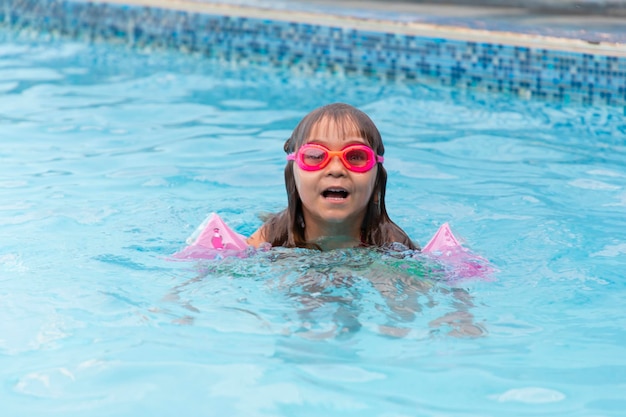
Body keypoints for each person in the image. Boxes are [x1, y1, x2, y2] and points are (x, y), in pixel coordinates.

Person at [247, 103, 418, 251]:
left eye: (355, 156)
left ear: (376, 184)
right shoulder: (274, 235)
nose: (336, 169)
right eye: (315, 155)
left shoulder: (391, 242)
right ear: (293, 179)